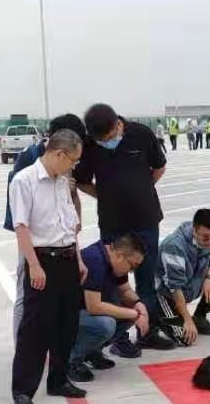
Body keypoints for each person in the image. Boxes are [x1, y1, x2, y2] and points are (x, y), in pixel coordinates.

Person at [74, 103, 175, 354]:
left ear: (117, 124)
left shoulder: (141, 134)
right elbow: (82, 181)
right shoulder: (90, 145)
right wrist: (105, 196)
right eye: (101, 140)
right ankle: (119, 339)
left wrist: (141, 190)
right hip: (113, 222)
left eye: (109, 136)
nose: (107, 142)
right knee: (113, 280)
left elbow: (159, 166)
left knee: (146, 277)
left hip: (146, 219)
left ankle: (147, 332)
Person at [9, 129, 89, 404]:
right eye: (73, 160)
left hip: (67, 258)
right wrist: (33, 265)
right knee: (35, 330)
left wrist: (78, 259)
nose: (74, 166)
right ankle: (23, 390)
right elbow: (21, 227)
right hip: (42, 260)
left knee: (67, 325)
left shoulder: (63, 181)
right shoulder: (24, 180)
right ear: (59, 153)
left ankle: (58, 379)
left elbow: (70, 225)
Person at [3, 113, 86, 340]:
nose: (73, 163)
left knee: (59, 300)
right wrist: (32, 260)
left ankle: (52, 343)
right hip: (34, 238)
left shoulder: (66, 161)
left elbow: (71, 201)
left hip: (62, 243)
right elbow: (18, 211)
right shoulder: (30, 159)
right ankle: (22, 342)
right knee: (27, 291)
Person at [67, 233, 151, 384]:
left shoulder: (115, 261)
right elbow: (94, 307)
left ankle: (90, 351)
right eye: (132, 266)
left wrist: (139, 305)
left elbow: (125, 291)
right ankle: (71, 359)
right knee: (106, 324)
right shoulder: (95, 260)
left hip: (81, 311)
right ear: (119, 255)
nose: (132, 271)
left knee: (130, 313)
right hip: (63, 315)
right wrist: (134, 313)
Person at [154, 208, 210, 346]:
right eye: (206, 237)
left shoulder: (204, 239)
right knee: (185, 339)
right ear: (194, 230)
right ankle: (158, 319)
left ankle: (199, 318)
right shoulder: (174, 247)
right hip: (167, 294)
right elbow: (175, 288)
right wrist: (187, 320)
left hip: (187, 287)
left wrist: (209, 279)